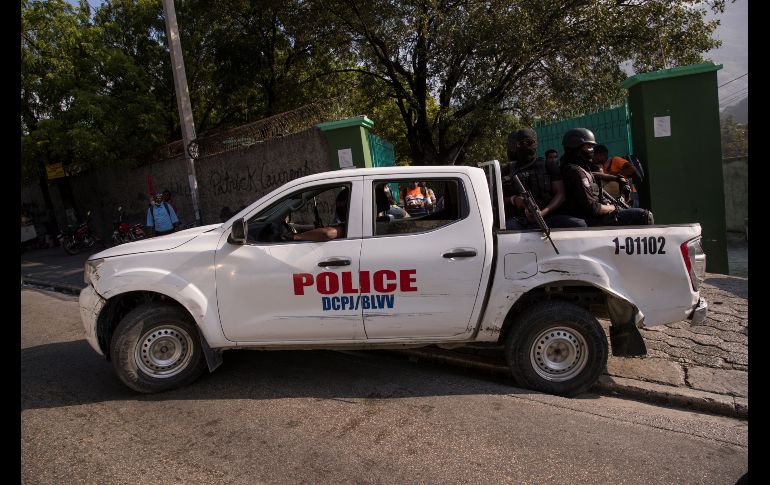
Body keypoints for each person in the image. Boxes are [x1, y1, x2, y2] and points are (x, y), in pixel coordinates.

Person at [559, 128, 653, 226]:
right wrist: (614, 207)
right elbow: (593, 208)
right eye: (589, 146)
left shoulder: (576, 168)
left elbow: (594, 175)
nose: (592, 151)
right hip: (591, 219)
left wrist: (616, 178)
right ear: (576, 148)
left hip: (593, 215)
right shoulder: (575, 171)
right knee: (643, 216)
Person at [501, 128, 586, 230]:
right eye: (521, 143)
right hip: (520, 219)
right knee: (508, 231)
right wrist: (514, 200)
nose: (525, 146)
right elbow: (497, 198)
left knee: (579, 224)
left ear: (535, 144)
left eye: (529, 142)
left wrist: (543, 212)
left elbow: (560, 194)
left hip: (548, 216)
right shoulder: (507, 169)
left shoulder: (548, 165)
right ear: (516, 145)